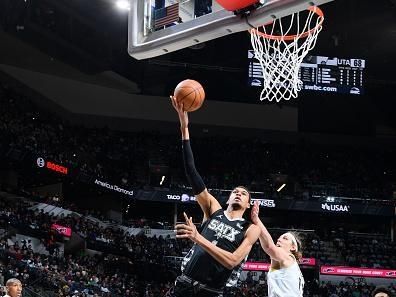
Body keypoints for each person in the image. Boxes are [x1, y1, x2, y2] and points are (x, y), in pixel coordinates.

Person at [169, 96, 260, 297]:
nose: (238, 193)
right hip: (184, 284)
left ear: (248, 204)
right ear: (227, 198)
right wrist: (185, 129)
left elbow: (232, 261)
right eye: (235, 191)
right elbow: (192, 172)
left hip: (211, 291)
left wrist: (198, 237)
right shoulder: (213, 209)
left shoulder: (251, 229)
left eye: (243, 193)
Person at [250, 201, 305, 297]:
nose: (279, 239)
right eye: (279, 238)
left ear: (293, 247)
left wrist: (256, 219)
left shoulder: (289, 257)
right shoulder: (281, 263)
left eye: (285, 238)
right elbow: (270, 248)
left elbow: (269, 246)